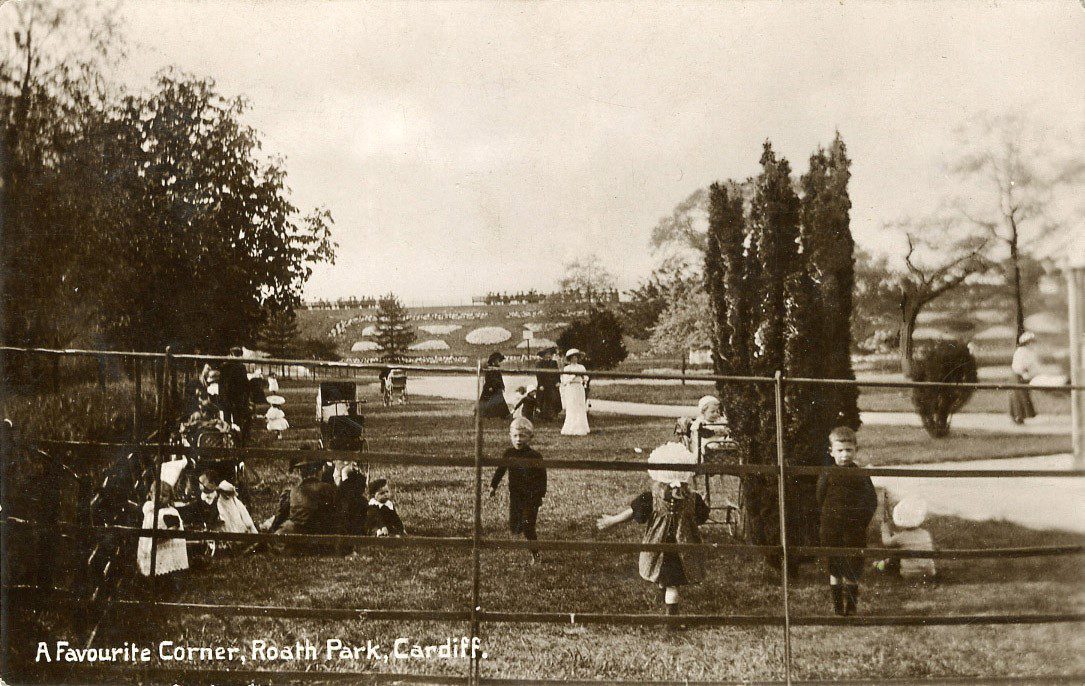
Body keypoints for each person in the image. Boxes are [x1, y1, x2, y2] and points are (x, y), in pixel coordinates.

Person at [596, 442, 709, 619]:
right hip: (683, 548)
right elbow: (702, 517)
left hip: (659, 546)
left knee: (666, 579)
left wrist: (613, 520)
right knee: (673, 582)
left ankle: (671, 617)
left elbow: (634, 513)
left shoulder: (652, 497)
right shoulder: (693, 498)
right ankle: (669, 602)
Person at [816, 426, 878, 616]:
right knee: (835, 568)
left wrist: (861, 522)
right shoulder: (827, 474)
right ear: (831, 452)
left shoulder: (861, 475)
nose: (845, 455)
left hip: (854, 529)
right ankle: (837, 608)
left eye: (849, 450)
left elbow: (871, 501)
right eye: (840, 450)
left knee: (852, 567)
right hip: (832, 528)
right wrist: (830, 518)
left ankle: (851, 607)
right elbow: (820, 498)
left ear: (856, 450)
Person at [489, 417, 547, 563]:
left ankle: (536, 554)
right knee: (515, 527)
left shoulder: (535, 456)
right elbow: (500, 470)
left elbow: (542, 477)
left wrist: (540, 494)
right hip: (515, 496)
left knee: (528, 526)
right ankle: (523, 529)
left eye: (522, 436)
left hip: (531, 497)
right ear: (510, 436)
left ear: (530, 437)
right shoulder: (509, 454)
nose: (518, 440)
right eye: (515, 436)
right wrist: (493, 486)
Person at [265, 459, 339, 555]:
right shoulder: (328, 489)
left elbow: (280, 518)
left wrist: (272, 531)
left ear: (300, 473)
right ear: (319, 472)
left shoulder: (292, 491)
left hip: (294, 538)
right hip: (319, 540)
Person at [137, 469, 189, 581]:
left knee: (164, 568)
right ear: (150, 495)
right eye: (157, 494)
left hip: (164, 544)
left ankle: (166, 582)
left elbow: (174, 529)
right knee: (152, 566)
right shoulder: (149, 508)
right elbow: (139, 509)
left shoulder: (168, 513)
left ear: (170, 497)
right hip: (151, 544)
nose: (160, 498)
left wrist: (161, 537)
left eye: (164, 495)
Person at [874, 496, 937, 580]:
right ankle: (880, 564)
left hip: (908, 574)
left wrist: (884, 530)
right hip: (929, 572)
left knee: (893, 557)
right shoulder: (925, 533)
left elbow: (886, 542)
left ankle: (879, 566)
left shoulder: (901, 536)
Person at [219, 347, 252, 446]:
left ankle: (233, 440)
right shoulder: (232, 367)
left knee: (232, 419)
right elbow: (244, 384)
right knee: (232, 419)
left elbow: (244, 385)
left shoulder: (235, 367)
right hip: (232, 396)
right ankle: (232, 440)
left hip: (233, 397)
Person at [1010, 331, 1040, 425]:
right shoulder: (1021, 351)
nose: (1032, 344)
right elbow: (1017, 366)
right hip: (1019, 376)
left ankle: (1021, 416)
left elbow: (1034, 366)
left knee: (1024, 396)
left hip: (1026, 376)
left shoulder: (1030, 352)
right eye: (1030, 342)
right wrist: (1023, 372)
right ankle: (1017, 416)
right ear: (1026, 342)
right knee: (1018, 396)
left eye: (1032, 342)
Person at [559, 349, 590, 436]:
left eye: (576, 357)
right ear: (569, 358)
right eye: (573, 357)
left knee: (580, 406)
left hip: (579, 387)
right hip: (571, 388)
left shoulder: (581, 367)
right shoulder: (567, 368)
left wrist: (584, 378)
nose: (575, 359)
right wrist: (573, 375)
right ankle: (571, 427)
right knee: (572, 406)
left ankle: (581, 427)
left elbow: (586, 377)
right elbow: (565, 380)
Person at [479, 351, 511, 419]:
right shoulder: (489, 368)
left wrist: (502, 386)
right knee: (486, 401)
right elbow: (487, 378)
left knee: (499, 400)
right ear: (493, 360)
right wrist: (490, 386)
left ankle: (503, 415)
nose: (498, 361)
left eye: (499, 360)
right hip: (490, 387)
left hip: (497, 387)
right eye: (497, 360)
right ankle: (483, 414)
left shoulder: (497, 368)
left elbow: (500, 378)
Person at [534, 347, 562, 421]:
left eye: (549, 354)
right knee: (543, 399)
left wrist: (558, 381)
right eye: (546, 354)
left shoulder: (553, 362)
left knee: (554, 399)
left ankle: (553, 414)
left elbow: (557, 373)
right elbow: (538, 375)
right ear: (543, 355)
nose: (548, 355)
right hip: (543, 384)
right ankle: (543, 415)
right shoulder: (539, 363)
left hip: (552, 384)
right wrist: (540, 385)